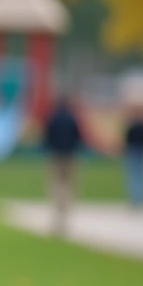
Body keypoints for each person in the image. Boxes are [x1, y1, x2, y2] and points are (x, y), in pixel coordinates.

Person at [43, 97, 83, 236]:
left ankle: (58, 213)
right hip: (69, 154)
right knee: (68, 184)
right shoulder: (72, 119)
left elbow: (47, 136)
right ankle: (65, 212)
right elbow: (78, 136)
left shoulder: (53, 119)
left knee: (56, 184)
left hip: (56, 154)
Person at [123, 108, 143, 208]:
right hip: (142, 150)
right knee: (141, 176)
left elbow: (127, 139)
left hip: (134, 150)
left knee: (134, 176)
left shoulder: (133, 126)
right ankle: (141, 199)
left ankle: (136, 199)